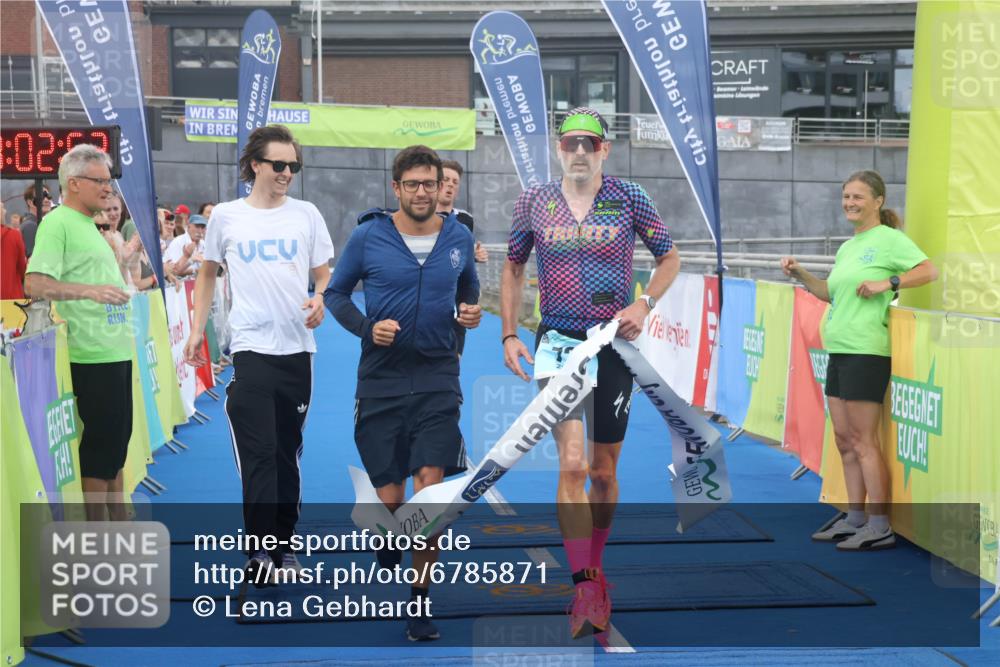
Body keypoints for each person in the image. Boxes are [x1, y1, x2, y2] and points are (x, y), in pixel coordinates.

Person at [500, 107, 680, 637]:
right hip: (556, 341)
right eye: (571, 142)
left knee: (603, 472)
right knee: (573, 465)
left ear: (604, 150)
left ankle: (596, 566)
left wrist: (644, 303)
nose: (579, 151)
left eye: (590, 144)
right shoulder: (534, 199)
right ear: (559, 148)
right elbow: (512, 266)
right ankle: (583, 585)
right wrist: (509, 333)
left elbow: (669, 257)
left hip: (613, 345)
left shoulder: (629, 197)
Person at [325, 145, 481, 642]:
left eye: (429, 184)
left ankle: (419, 600)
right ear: (397, 188)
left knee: (429, 486)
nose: (421, 192)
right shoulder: (369, 236)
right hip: (382, 378)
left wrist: (469, 318)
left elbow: (469, 294)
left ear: (441, 187)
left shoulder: (458, 236)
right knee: (391, 497)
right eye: (412, 184)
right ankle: (389, 528)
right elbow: (335, 294)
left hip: (438, 376)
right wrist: (369, 329)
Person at [183, 124, 334, 586]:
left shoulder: (307, 214)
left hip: (297, 352)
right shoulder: (227, 216)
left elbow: (325, 274)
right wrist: (196, 330)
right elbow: (207, 274)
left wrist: (320, 298)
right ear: (255, 165)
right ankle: (260, 551)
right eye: (279, 165)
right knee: (259, 452)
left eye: (293, 166)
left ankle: (284, 544)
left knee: (287, 452)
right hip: (249, 349)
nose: (287, 173)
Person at [782, 170, 938, 551]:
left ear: (878, 201)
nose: (850, 203)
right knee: (844, 440)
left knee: (864, 441)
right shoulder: (849, 246)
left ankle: (880, 524)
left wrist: (889, 284)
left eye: (858, 197)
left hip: (866, 350)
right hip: (839, 348)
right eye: (846, 197)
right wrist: (801, 273)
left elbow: (929, 270)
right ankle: (854, 517)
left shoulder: (889, 240)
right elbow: (831, 293)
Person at [24, 144, 133, 521]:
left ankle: (120, 526)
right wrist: (89, 292)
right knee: (101, 451)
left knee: (116, 449)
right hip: (90, 353)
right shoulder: (57, 224)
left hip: (115, 349)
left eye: (110, 181)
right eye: (100, 181)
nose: (109, 189)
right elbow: (35, 283)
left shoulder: (90, 225)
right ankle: (99, 543)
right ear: (74, 183)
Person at [435, 160, 487, 357]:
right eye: (445, 180)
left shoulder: (465, 220)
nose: (450, 185)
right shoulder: (419, 218)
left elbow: (461, 257)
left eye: (455, 182)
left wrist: (474, 256)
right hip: (427, 303)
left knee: (452, 366)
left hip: (456, 303)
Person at [164, 214, 207, 280]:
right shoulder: (178, 242)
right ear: (189, 226)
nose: (200, 231)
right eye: (197, 226)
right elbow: (174, 271)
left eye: (203, 227)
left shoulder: (204, 244)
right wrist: (195, 269)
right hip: (177, 286)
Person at [0, 201, 27, 299]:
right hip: (12, 300)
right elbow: (22, 269)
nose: (5, 211)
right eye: (2, 208)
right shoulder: (14, 235)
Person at [20, 181, 53, 257]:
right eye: (42, 196)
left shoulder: (37, 224)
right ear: (30, 203)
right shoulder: (30, 226)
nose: (47, 200)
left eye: (48, 196)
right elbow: (33, 258)